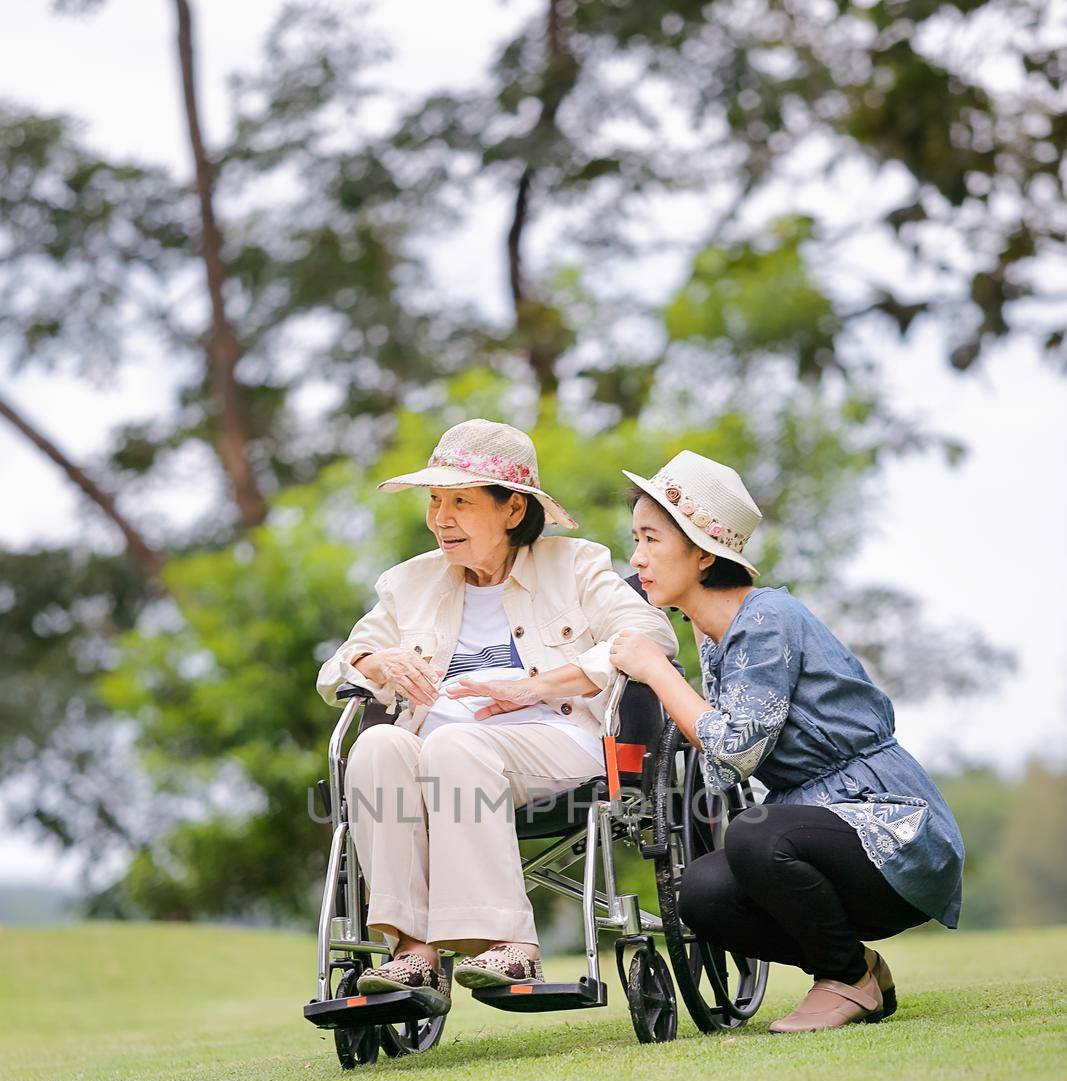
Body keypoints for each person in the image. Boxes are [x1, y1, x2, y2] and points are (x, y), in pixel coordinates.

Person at [316, 418, 677, 1003]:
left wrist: (536, 687)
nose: (440, 518)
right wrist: (377, 663)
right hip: (441, 751)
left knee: (455, 745)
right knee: (377, 746)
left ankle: (510, 945)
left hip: (554, 739)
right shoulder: (410, 582)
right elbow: (340, 665)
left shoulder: (576, 566)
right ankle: (413, 952)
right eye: (435, 501)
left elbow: (650, 634)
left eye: (461, 500)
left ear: (512, 509)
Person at [607, 449, 964, 1033]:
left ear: (701, 553)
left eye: (650, 540)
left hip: (890, 827)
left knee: (750, 835)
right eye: (636, 539)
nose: (636, 557)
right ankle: (856, 969)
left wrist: (656, 669)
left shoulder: (767, 617)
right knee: (701, 893)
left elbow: (733, 752)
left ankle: (844, 984)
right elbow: (723, 770)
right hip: (814, 828)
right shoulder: (716, 636)